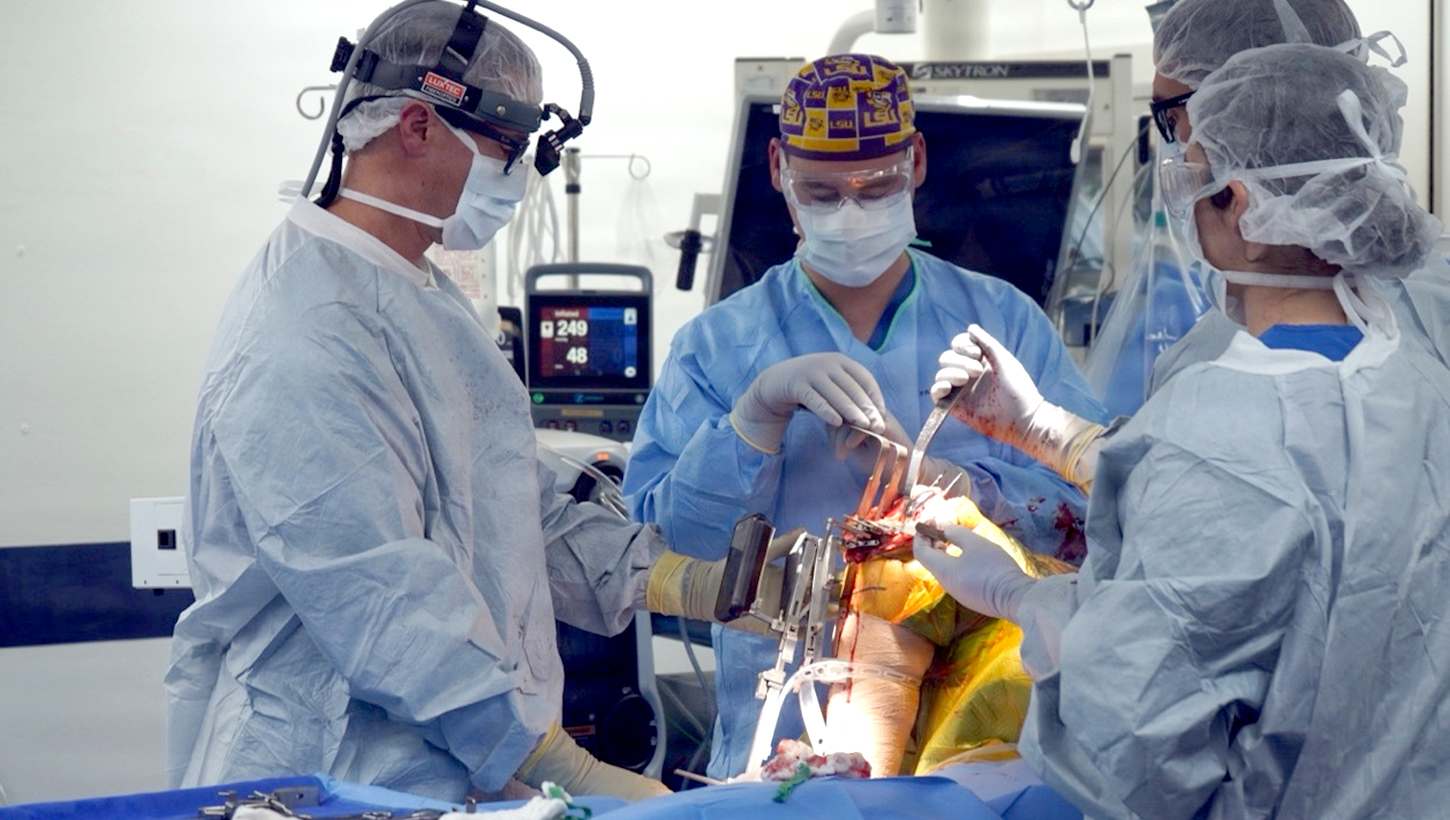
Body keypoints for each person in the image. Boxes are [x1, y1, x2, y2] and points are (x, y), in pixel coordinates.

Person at [164, 1, 779, 803]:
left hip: (451, 764)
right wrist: (560, 765)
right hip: (332, 772)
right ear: (418, 125)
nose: (517, 178)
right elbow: (382, 599)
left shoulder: (418, 291)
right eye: (507, 149)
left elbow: (507, 508)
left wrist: (683, 583)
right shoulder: (305, 328)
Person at [917, 43, 1450, 819]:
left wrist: (1022, 598)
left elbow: (1133, 735)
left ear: (1249, 212)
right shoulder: (1424, 391)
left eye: (1195, 175)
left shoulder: (1216, 424)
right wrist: (1043, 433)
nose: (1182, 198)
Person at [622, 53, 1106, 780]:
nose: (849, 210)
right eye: (820, 191)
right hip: (781, 727)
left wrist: (971, 492)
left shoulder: (1002, 323)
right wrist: (752, 424)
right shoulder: (720, 346)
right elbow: (665, 552)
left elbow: (1097, 524)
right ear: (779, 168)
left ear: (915, 162)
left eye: (874, 186)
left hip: (982, 733)